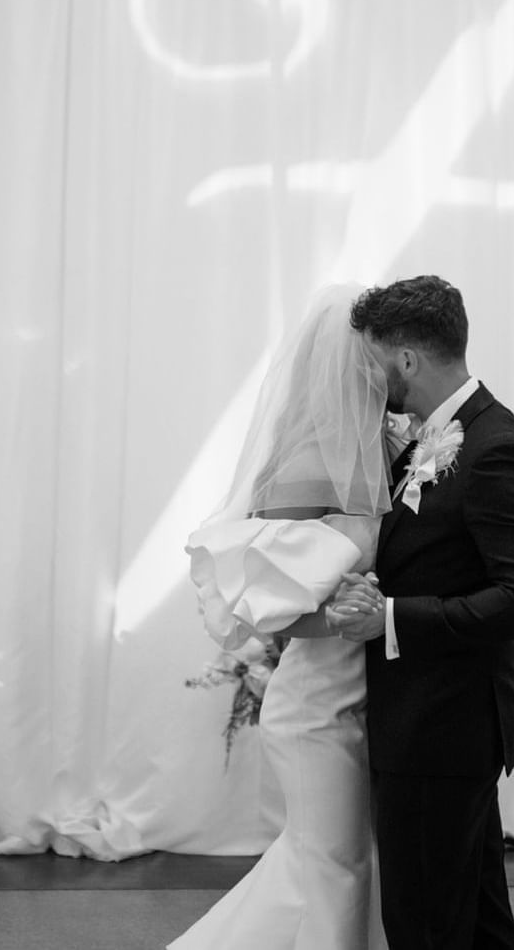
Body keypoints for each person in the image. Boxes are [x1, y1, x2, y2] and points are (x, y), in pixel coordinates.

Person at [330, 275, 514, 950]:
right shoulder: (436, 436)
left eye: (374, 358)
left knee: (427, 924)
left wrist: (393, 618)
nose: (370, 375)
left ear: (406, 360)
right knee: (474, 919)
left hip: (444, 725)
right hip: (433, 726)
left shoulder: (496, 447)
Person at [171, 283, 392, 950]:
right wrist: (347, 622)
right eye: (373, 359)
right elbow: (274, 610)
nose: (383, 373)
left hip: (360, 697)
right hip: (315, 706)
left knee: (344, 861)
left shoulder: (378, 454)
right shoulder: (299, 466)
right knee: (335, 863)